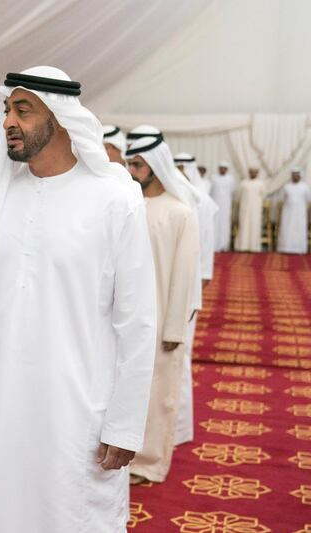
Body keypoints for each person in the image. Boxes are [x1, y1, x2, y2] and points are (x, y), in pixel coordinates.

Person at [0, 67, 157, 532]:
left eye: (23, 110)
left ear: (59, 119)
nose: (7, 123)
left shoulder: (115, 198)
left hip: (76, 411)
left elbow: (137, 321)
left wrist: (124, 423)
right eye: (5, 110)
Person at [126, 137, 199, 484]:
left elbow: (185, 277)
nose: (131, 171)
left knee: (158, 395)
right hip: (123, 317)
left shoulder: (180, 212)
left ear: (155, 167)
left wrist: (173, 330)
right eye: (130, 164)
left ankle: (148, 462)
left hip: (158, 321)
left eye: (137, 164)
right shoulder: (127, 205)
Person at [173, 152, 218, 446]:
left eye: (181, 167)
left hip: (187, 293)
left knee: (180, 357)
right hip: (168, 287)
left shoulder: (199, 201)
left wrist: (194, 295)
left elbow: (203, 254)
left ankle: (178, 428)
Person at [277, 167, 311, 254]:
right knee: (287, 229)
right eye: (294, 175)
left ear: (300, 176)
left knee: (299, 229)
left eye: (297, 175)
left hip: (300, 212)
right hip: (288, 212)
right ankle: (285, 248)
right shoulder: (286, 186)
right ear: (291, 176)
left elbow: (309, 199)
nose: (295, 177)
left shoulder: (305, 187)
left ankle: (299, 249)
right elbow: (282, 198)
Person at [234, 167, 266, 252]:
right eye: (251, 172)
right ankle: (242, 246)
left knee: (254, 226)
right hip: (245, 209)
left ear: (257, 173)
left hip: (255, 209)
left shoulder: (260, 184)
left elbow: (263, 196)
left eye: (255, 172)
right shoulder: (243, 183)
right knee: (244, 226)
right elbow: (239, 196)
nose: (253, 174)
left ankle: (254, 247)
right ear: (249, 172)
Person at [210, 161, 236, 251]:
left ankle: (224, 245)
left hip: (226, 206)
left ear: (227, 169)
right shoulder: (213, 178)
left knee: (225, 224)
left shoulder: (230, 179)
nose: (223, 170)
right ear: (218, 169)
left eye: (224, 168)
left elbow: (232, 191)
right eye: (221, 168)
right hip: (215, 205)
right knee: (215, 224)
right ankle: (214, 245)